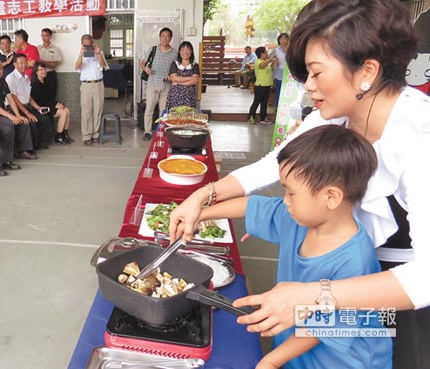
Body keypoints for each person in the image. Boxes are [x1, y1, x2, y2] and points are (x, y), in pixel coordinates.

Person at [168, 1, 427, 368]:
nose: (308, 87)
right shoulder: (336, 114)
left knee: (381, 355)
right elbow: (269, 167)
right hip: (336, 289)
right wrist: (202, 194)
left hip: (401, 295)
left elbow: (425, 279)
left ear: (367, 70)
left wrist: (312, 298)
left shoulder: (420, 135)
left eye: (317, 73)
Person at [199, 126, 391, 369]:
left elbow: (320, 328)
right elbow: (253, 206)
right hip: (296, 351)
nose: (285, 201)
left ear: (330, 197)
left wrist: (270, 361)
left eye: (291, 193)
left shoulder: (356, 261)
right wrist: (200, 213)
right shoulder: (300, 218)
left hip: (343, 362)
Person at [0, 58, 37, 162]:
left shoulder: (3, 82)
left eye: (0, 69)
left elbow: (10, 98)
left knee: (23, 121)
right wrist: (11, 116)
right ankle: (7, 159)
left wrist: (18, 115)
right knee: (10, 124)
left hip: (2, 112)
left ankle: (23, 151)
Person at [6, 54, 51, 150]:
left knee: (43, 117)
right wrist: (27, 113)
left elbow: (28, 96)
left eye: (25, 62)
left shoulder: (26, 77)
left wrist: (37, 107)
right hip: (14, 108)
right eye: (20, 63)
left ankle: (39, 144)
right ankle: (27, 150)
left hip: (26, 106)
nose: (23, 65)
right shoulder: (11, 78)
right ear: (15, 64)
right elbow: (14, 98)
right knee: (31, 121)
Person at [140, 27, 178, 141]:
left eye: (167, 36)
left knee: (163, 110)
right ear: (160, 37)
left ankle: (161, 131)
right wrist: (146, 69)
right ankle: (147, 132)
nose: (165, 38)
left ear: (170, 38)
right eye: (163, 36)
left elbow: (175, 70)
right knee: (149, 109)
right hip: (152, 83)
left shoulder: (175, 53)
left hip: (166, 85)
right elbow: (142, 63)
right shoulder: (153, 49)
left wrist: (171, 76)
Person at [75, 34, 108, 145]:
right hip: (86, 85)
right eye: (86, 45)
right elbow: (77, 67)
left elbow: (103, 65)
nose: (88, 47)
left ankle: (96, 134)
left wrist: (98, 53)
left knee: (97, 110)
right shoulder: (80, 54)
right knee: (86, 111)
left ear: (93, 43)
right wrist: (81, 55)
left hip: (98, 84)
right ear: (82, 44)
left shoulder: (99, 52)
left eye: (90, 45)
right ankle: (86, 136)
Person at [32, 62, 72, 144]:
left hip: (49, 105)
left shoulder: (46, 81)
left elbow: (50, 98)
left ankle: (65, 133)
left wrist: (58, 104)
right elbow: (41, 101)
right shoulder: (34, 84)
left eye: (44, 69)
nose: (43, 71)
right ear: (36, 72)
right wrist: (55, 105)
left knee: (67, 110)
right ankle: (59, 135)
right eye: (40, 70)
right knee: (63, 112)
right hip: (41, 108)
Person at [165, 41, 200, 109]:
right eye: (183, 50)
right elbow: (174, 78)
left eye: (188, 50)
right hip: (175, 96)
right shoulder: (174, 64)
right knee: (174, 117)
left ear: (191, 51)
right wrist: (190, 78)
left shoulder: (195, 65)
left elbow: (194, 81)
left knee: (188, 117)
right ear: (179, 52)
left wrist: (177, 82)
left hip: (189, 96)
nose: (185, 52)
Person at [247, 46, 277, 125]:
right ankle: (251, 116)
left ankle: (263, 118)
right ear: (262, 54)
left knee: (264, 103)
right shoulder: (258, 61)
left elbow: (270, 69)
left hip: (267, 85)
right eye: (266, 52)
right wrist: (270, 59)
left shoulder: (265, 62)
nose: (267, 54)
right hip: (260, 86)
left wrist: (273, 63)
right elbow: (262, 66)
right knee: (256, 102)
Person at [37, 28, 62, 92]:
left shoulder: (56, 49)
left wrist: (42, 62)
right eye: (42, 35)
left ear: (50, 36)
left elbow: (54, 65)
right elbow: (35, 62)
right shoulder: (37, 48)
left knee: (51, 94)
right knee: (39, 95)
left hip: (50, 75)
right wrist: (48, 63)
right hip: (38, 75)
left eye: (46, 35)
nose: (44, 37)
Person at [273, 33, 289, 108]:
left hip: (289, 73)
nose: (282, 41)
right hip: (279, 72)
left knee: (287, 90)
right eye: (281, 39)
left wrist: (285, 49)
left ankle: (286, 106)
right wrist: (275, 60)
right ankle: (277, 107)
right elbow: (270, 58)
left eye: (284, 39)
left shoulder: (291, 49)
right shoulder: (276, 50)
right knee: (279, 90)